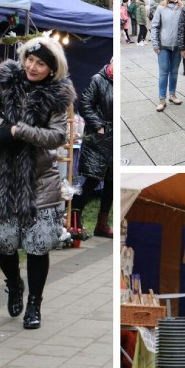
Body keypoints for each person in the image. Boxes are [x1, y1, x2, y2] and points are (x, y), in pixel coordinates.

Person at [0, 36, 75, 330]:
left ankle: (35, 304)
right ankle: (14, 283)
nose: (32, 66)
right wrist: (4, 128)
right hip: (3, 177)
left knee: (37, 245)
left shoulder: (58, 94)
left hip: (39, 180)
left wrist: (20, 131)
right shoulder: (5, 80)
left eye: (40, 63)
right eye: (30, 59)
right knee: (2, 243)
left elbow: (57, 136)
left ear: (51, 68)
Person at [71, 59, 113, 238]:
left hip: (114, 140)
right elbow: (85, 105)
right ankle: (75, 217)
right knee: (92, 180)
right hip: (98, 139)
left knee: (111, 183)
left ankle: (102, 224)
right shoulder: (98, 79)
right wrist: (98, 126)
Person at [151, 0, 185, 112]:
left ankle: (172, 94)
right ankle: (161, 99)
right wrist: (155, 44)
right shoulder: (160, 8)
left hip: (177, 46)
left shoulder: (182, 9)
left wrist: (183, 46)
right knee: (163, 72)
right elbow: (154, 26)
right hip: (163, 46)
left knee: (174, 72)